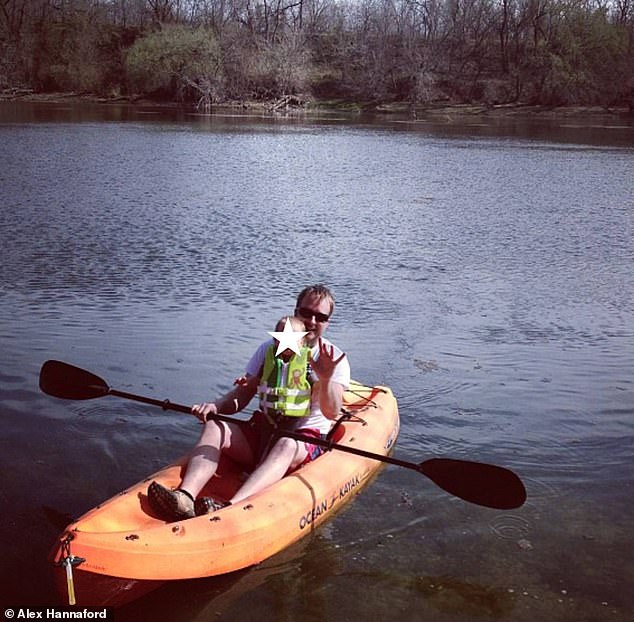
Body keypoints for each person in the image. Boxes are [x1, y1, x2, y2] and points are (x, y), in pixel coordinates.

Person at [148, 284, 350, 521]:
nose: (312, 321)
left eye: (321, 317)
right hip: (263, 432)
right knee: (215, 426)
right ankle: (185, 497)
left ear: (328, 322)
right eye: (306, 313)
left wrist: (325, 379)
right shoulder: (269, 349)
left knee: (287, 443)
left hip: (301, 442)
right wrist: (216, 407)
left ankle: (231, 508)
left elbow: (331, 412)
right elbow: (242, 396)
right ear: (296, 312)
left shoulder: (332, 359)